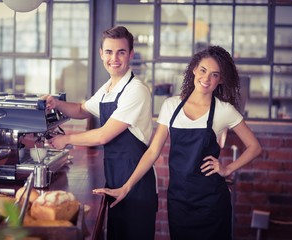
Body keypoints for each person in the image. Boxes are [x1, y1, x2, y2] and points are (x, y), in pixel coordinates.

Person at [93, 45, 262, 240]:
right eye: (203, 70)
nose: (206, 79)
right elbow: (152, 152)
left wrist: (227, 169)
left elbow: (254, 147)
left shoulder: (224, 110)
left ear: (221, 79)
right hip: (179, 200)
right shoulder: (171, 106)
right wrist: (126, 187)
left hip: (212, 203)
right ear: (194, 69)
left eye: (214, 75)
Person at [43, 26, 158, 240]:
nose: (114, 58)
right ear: (101, 54)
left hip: (136, 183)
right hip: (114, 179)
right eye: (109, 52)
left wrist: (65, 139)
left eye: (121, 52)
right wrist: (57, 103)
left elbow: (103, 135)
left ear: (131, 54)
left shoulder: (136, 90)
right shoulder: (108, 88)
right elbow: (81, 109)